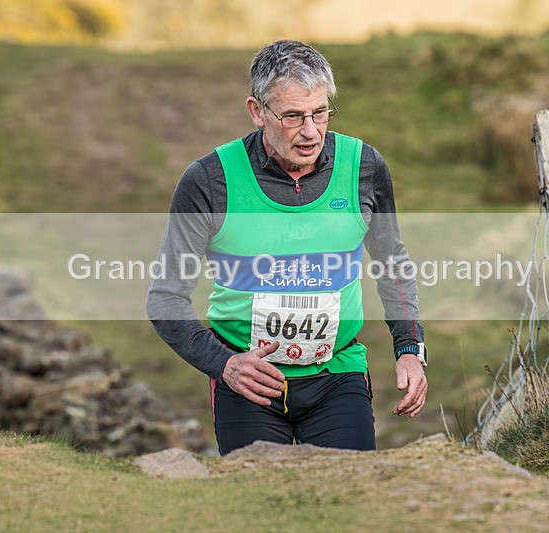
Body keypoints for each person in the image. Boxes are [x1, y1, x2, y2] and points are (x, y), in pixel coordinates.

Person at [147, 39, 427, 455]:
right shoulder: (209, 180)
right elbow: (165, 297)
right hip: (249, 380)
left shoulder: (364, 166)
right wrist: (224, 365)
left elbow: (392, 262)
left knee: (345, 500)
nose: (311, 131)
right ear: (257, 111)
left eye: (320, 113)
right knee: (259, 507)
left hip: (338, 373)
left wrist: (409, 349)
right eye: (293, 116)